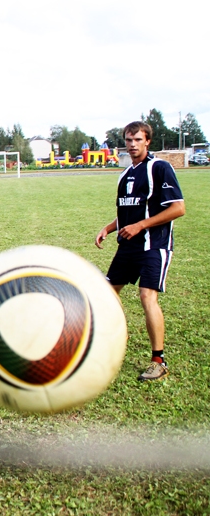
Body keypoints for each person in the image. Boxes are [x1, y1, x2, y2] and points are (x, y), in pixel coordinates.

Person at [95, 121, 185, 382]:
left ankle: (159, 361)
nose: (132, 144)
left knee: (147, 296)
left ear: (147, 141)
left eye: (137, 139)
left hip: (153, 245)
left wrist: (141, 225)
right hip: (129, 246)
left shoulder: (159, 168)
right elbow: (128, 212)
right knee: (108, 295)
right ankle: (115, 340)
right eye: (128, 140)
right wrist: (109, 228)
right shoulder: (125, 175)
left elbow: (178, 208)